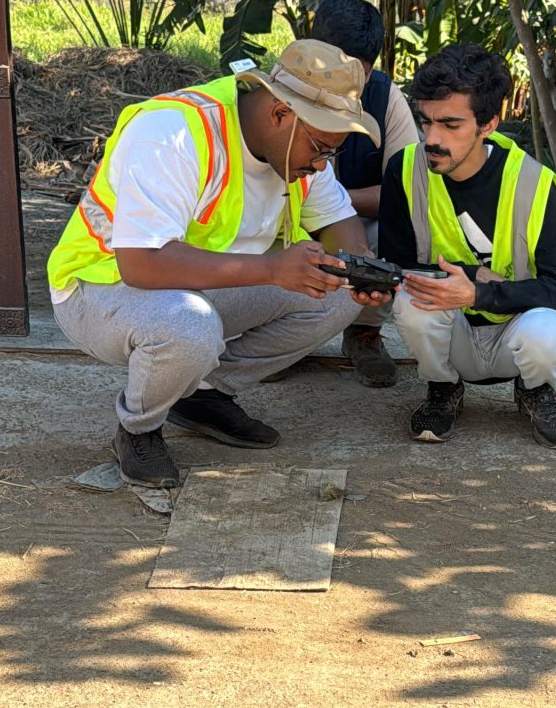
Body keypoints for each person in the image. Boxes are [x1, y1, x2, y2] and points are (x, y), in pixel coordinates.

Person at [47, 40, 391, 487]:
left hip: (199, 285)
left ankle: (202, 396)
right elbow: (141, 264)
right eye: (321, 148)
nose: (323, 165)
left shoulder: (300, 148)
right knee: (190, 325)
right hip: (100, 289)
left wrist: (357, 269)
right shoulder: (173, 132)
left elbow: (339, 220)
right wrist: (273, 270)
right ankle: (138, 429)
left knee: (336, 295)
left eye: (332, 153)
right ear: (280, 113)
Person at [378, 43, 556, 447]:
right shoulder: (404, 170)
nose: (432, 138)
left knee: (547, 329)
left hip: (515, 330)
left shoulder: (535, 182)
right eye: (425, 121)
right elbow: (397, 265)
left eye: (450, 125)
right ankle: (443, 387)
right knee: (410, 301)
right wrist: (473, 276)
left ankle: (535, 390)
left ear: (487, 124)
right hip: (451, 333)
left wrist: (479, 293)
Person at [310, 0, 419, 389]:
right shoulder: (279, 92)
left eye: (359, 75)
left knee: (400, 227)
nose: (347, 87)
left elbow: (407, 191)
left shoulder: (385, 97)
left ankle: (364, 331)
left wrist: (331, 201)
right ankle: (272, 338)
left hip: (354, 226)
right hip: (286, 223)